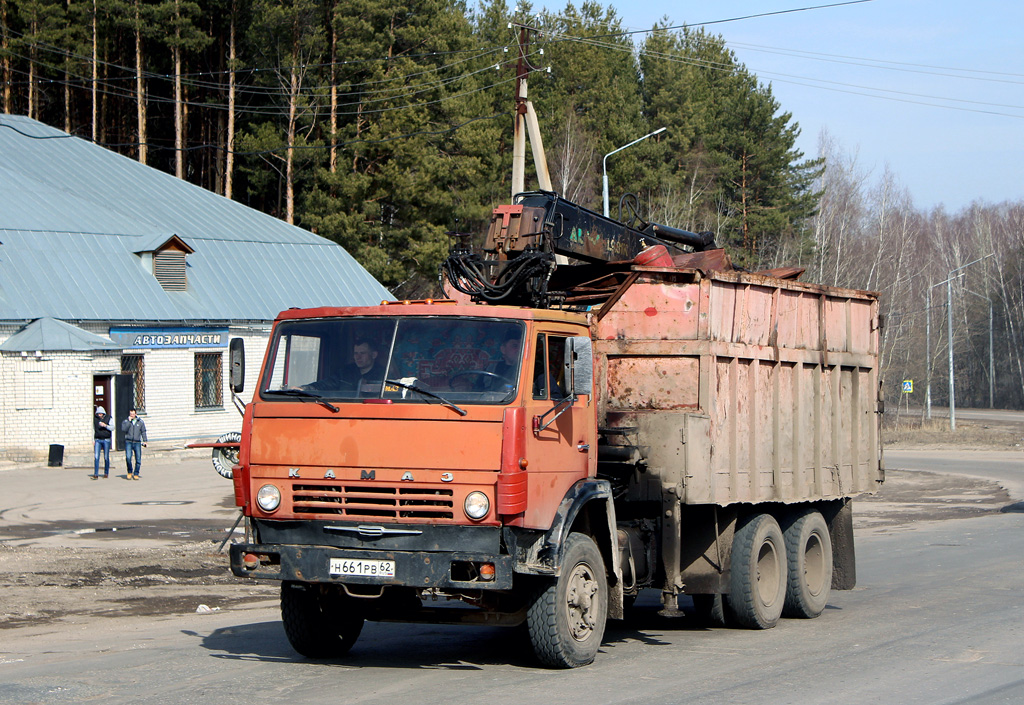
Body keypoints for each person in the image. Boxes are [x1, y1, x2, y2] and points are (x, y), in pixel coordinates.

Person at [121, 408, 148, 480]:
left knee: (138, 459)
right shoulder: (126, 421)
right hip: (128, 441)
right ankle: (129, 472)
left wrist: (145, 440)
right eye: (130, 414)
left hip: (137, 442)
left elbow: (143, 431)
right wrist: (129, 422)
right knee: (128, 457)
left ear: (135, 414)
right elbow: (124, 429)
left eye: (133, 414)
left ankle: (136, 473)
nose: (132, 415)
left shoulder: (140, 422)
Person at [92, 406, 113, 479]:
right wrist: (93, 439)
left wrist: (105, 425)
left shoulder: (109, 418)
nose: (99, 415)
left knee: (106, 457)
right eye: (98, 414)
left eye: (101, 414)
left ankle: (106, 473)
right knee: (96, 457)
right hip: (98, 439)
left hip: (106, 439)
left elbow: (112, 428)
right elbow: (93, 429)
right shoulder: (95, 419)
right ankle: (96, 474)